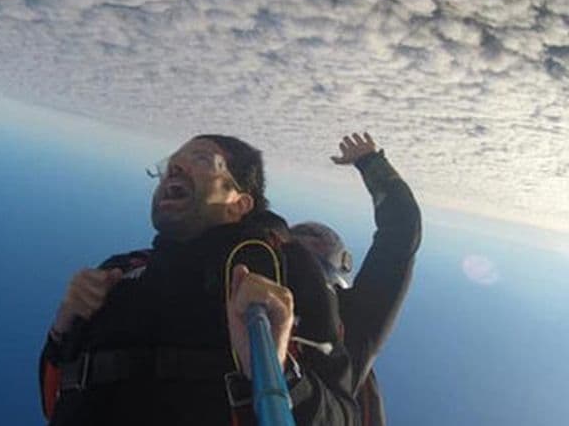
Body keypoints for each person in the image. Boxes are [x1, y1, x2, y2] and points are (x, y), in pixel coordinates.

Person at [38, 135, 358, 425]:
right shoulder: (120, 270)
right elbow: (54, 396)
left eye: (203, 159)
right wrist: (63, 323)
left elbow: (343, 418)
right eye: (170, 164)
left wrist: (281, 371)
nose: (175, 167)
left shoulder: (280, 269)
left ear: (239, 203)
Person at [291, 133, 422, 426]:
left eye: (318, 239)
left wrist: (372, 164)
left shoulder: (353, 316)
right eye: (298, 236)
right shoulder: (247, 276)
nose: (306, 243)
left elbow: (400, 235)